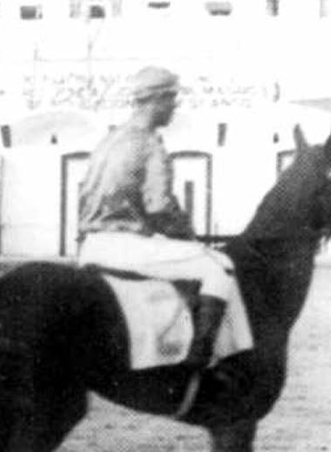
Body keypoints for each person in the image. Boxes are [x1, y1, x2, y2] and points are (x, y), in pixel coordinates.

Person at [76, 66, 232, 372]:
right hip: (124, 245)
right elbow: (159, 208)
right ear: (156, 100)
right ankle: (199, 361)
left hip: (90, 246)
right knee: (220, 266)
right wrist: (191, 237)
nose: (175, 106)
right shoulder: (151, 144)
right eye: (172, 98)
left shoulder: (109, 140)